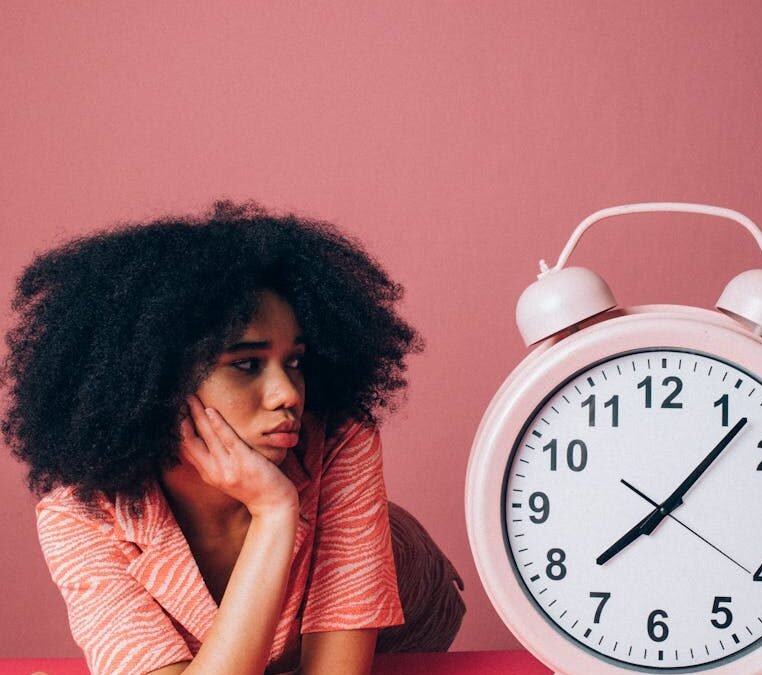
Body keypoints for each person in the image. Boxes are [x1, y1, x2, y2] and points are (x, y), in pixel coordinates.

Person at [1, 201, 463, 675]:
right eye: (245, 365)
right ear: (152, 383)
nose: (288, 395)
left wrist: (276, 508)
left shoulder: (341, 441)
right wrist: (273, 514)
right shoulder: (78, 517)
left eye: (296, 362)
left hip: (399, 635)